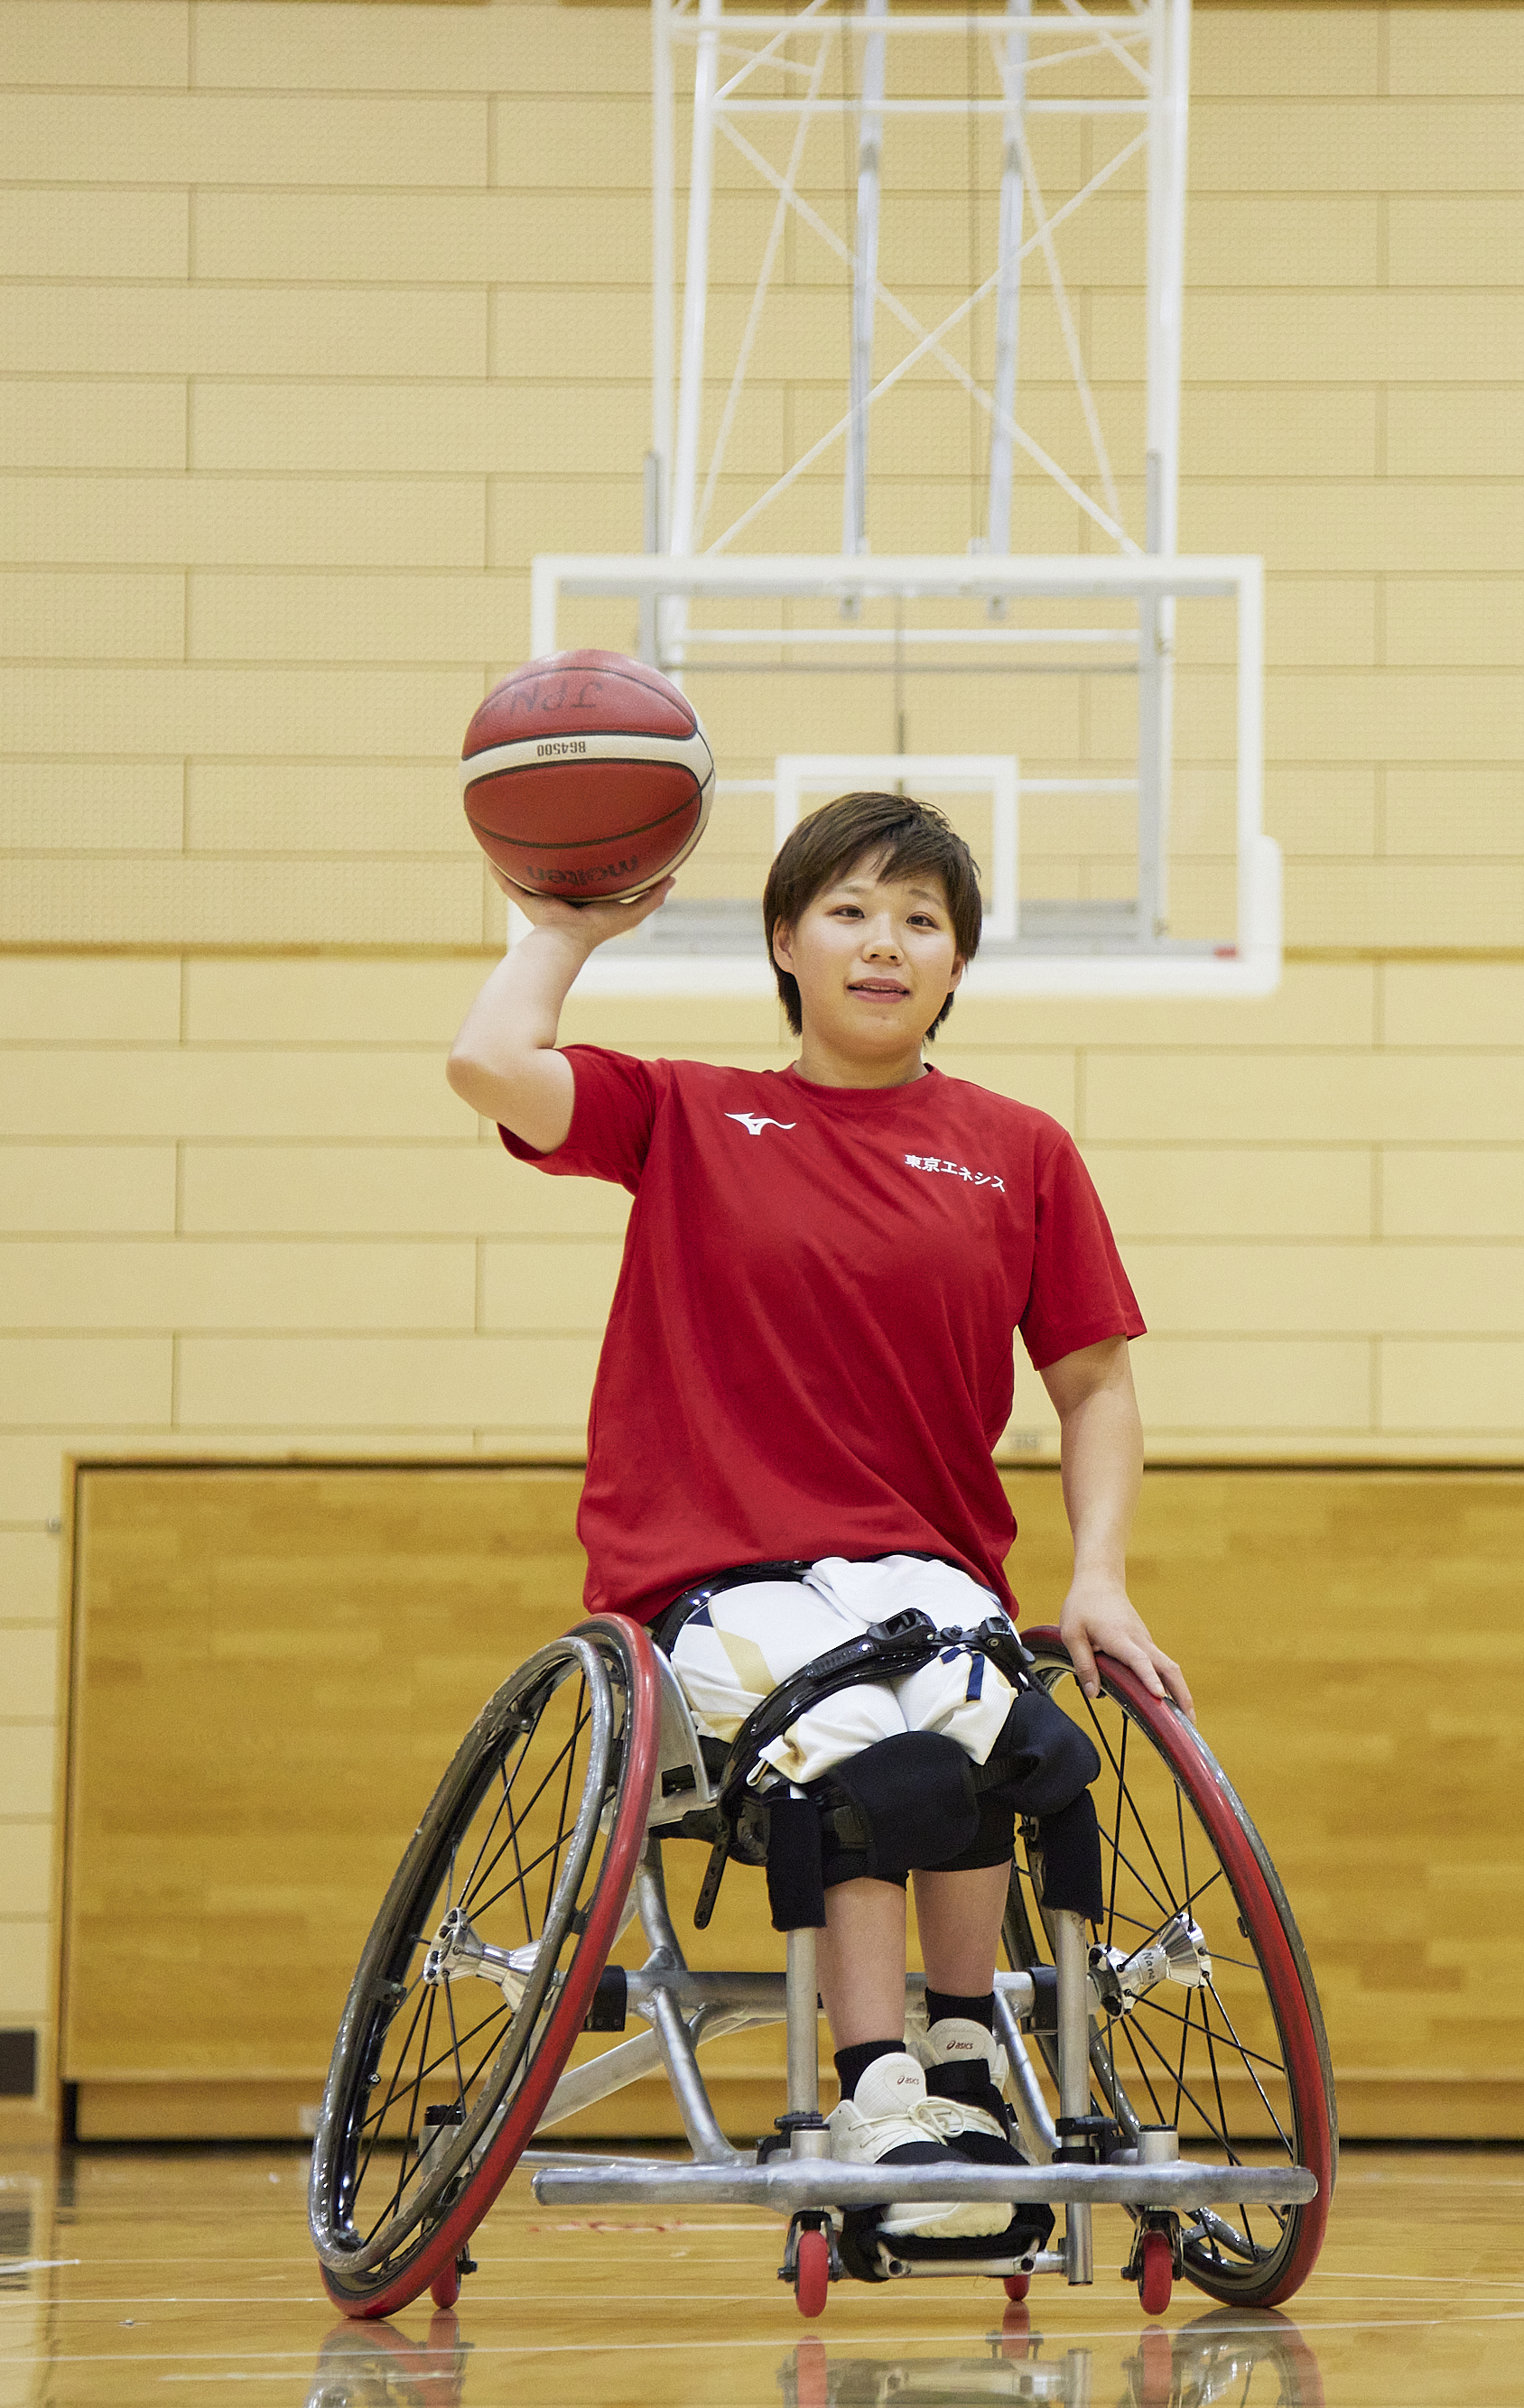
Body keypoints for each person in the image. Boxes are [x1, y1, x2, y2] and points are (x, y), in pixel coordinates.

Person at [442, 788, 1188, 2239]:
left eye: (922, 920)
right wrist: (563, 926)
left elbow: (1095, 1385)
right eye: (849, 909)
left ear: (959, 967)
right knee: (878, 1754)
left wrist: (1099, 1574)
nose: (886, 942)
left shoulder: (1020, 1151)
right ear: (785, 941)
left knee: (1021, 1743)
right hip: (724, 1572)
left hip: (928, 1570)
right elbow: (487, 1059)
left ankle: (967, 2059)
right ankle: (877, 2086)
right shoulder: (691, 1113)